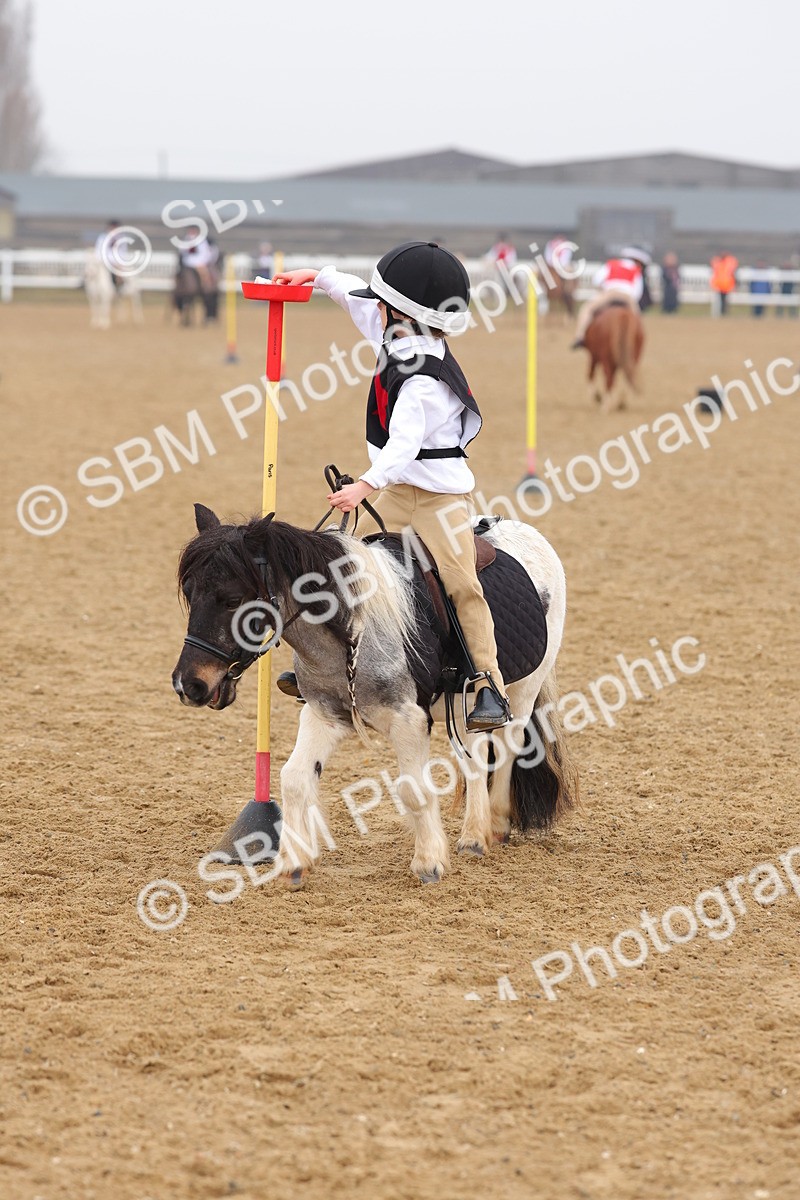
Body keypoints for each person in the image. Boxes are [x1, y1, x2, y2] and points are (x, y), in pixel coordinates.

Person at [274, 241, 511, 732]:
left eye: (381, 304)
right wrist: (318, 275)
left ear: (398, 312)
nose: (373, 310)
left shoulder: (425, 379)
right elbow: (356, 301)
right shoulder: (398, 333)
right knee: (359, 571)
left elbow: (404, 442)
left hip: (440, 498)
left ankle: (489, 686)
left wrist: (364, 486)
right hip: (402, 488)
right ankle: (331, 664)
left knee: (461, 582)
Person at [572, 246, 650, 348]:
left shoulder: (611, 264)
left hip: (609, 294)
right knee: (637, 317)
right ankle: (637, 339)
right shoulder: (636, 270)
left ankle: (580, 336)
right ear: (638, 261)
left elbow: (596, 280)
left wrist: (604, 289)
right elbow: (637, 293)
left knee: (587, 309)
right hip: (627, 297)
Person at [710, 251, 738, 316]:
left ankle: (724, 312)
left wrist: (735, 284)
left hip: (727, 284)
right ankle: (720, 313)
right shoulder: (717, 262)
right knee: (720, 300)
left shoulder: (730, 262)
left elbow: (732, 273)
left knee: (725, 300)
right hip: (718, 284)